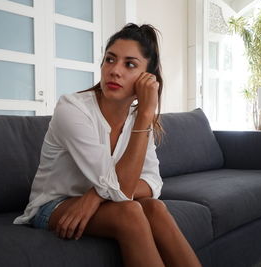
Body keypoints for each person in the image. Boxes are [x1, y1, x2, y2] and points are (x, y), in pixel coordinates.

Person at [14, 23, 201, 267]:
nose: (115, 71)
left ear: (148, 78)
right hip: (53, 205)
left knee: (155, 207)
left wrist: (95, 196)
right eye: (110, 60)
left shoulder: (137, 119)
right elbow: (122, 191)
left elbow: (154, 182)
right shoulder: (72, 109)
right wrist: (146, 113)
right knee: (131, 212)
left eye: (130, 64)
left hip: (102, 202)